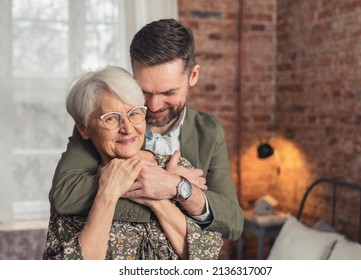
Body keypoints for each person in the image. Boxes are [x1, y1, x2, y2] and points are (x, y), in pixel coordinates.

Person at [49, 18, 244, 241]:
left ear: (193, 76)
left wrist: (177, 187)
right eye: (144, 92)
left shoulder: (209, 129)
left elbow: (233, 223)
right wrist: (165, 189)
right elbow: (65, 196)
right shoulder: (103, 124)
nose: (153, 105)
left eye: (168, 93)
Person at [43, 65, 223, 260]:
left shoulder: (176, 169)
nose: (128, 128)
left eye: (135, 113)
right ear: (84, 128)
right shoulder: (74, 189)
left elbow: (207, 256)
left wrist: (158, 197)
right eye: (111, 118)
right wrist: (107, 194)